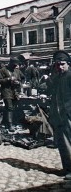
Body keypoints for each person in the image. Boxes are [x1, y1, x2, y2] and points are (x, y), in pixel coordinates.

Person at [47, 50, 71, 180]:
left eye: (62, 64)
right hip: (58, 114)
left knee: (68, 142)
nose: (60, 67)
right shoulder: (58, 76)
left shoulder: (70, 76)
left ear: (68, 64)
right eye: (57, 65)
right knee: (62, 143)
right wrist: (52, 75)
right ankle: (67, 168)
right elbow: (47, 87)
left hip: (68, 114)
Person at [0, 57, 20, 132]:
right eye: (13, 65)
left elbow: (22, 78)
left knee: (11, 107)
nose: (14, 67)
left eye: (16, 65)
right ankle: (10, 125)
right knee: (9, 107)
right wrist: (8, 79)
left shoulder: (16, 70)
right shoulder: (3, 70)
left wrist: (18, 82)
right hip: (6, 91)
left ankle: (6, 122)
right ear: (10, 63)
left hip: (14, 91)